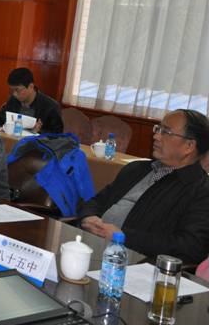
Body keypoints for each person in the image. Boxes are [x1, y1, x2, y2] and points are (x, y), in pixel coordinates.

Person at [79, 109, 208, 265]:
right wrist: (89, 217)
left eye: (166, 132)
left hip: (134, 263)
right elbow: (97, 200)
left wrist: (122, 236)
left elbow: (190, 247)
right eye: (158, 129)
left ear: (189, 146)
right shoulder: (137, 169)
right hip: (90, 244)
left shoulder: (200, 191)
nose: (156, 136)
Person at [0, 67, 63, 133]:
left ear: (31, 86)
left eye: (17, 90)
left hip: (36, 143)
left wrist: (39, 132)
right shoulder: (13, 100)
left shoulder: (50, 107)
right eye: (11, 90)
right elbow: (2, 116)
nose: (14, 94)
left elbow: (57, 135)